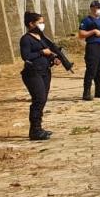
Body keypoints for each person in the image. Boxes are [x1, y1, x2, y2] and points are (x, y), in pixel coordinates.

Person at [19, 11, 72, 140]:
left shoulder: (42, 37)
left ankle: (39, 128)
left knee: (43, 100)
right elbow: (26, 57)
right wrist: (42, 51)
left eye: (43, 22)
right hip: (32, 73)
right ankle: (34, 130)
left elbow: (49, 53)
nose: (42, 25)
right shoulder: (26, 39)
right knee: (39, 99)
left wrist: (54, 59)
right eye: (40, 22)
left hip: (44, 71)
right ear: (31, 24)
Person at [79, 0, 100, 101]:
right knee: (91, 69)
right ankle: (86, 92)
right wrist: (93, 31)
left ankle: (99, 90)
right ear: (92, 8)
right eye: (99, 8)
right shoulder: (87, 20)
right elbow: (81, 34)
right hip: (92, 46)